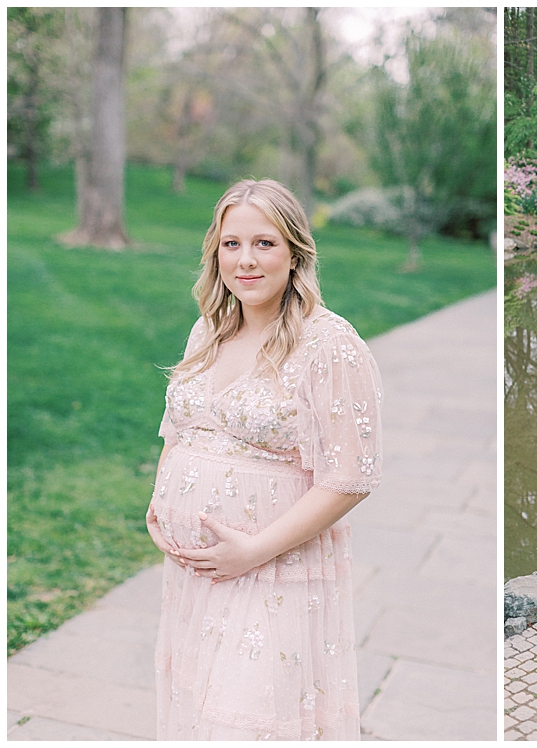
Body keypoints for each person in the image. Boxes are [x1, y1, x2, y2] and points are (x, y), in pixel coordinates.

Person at [145, 179, 382, 740]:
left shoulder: (328, 344)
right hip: (194, 573)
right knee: (200, 711)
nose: (245, 260)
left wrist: (251, 550)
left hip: (277, 568)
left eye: (264, 243)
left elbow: (350, 478)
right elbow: (179, 429)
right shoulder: (207, 330)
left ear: (295, 252)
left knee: (248, 722)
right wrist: (159, 499)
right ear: (215, 250)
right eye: (231, 244)